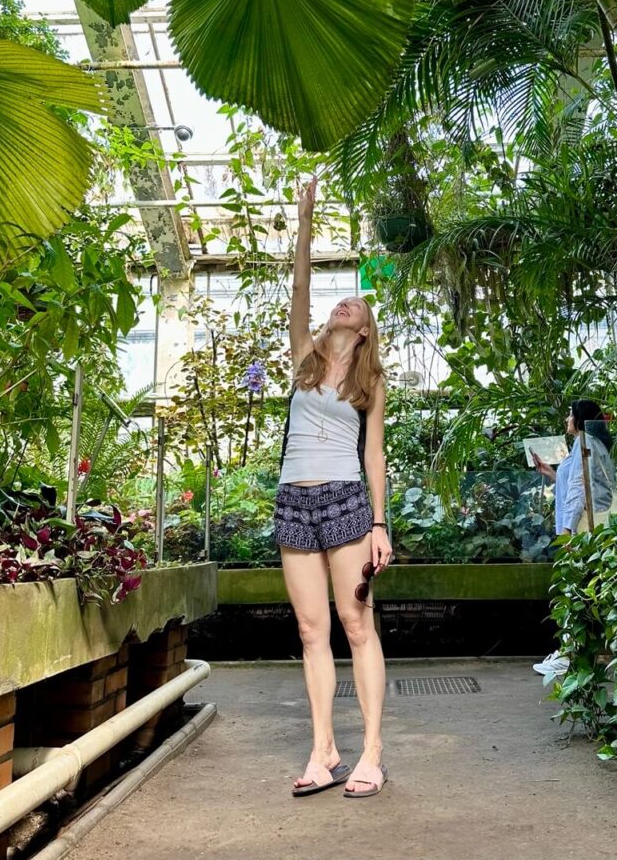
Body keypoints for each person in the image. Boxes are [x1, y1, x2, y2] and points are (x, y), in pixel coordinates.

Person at [274, 175, 392, 799]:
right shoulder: (304, 358)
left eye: (355, 303)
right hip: (294, 500)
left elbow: (374, 457)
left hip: (347, 502)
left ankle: (371, 751)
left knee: (356, 622)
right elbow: (298, 288)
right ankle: (324, 750)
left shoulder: (369, 383)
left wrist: (380, 524)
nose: (343, 304)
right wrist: (305, 215)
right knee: (311, 631)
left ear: (367, 326)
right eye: (336, 302)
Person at [530, 399, 616, 684]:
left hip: (583, 529)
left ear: (580, 419)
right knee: (586, 589)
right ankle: (575, 652)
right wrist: (551, 473)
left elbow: (580, 491)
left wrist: (567, 531)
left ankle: (569, 654)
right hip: (591, 525)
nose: (567, 418)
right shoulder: (587, 443)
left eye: (570, 413)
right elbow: (576, 484)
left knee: (574, 589)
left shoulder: (584, 444)